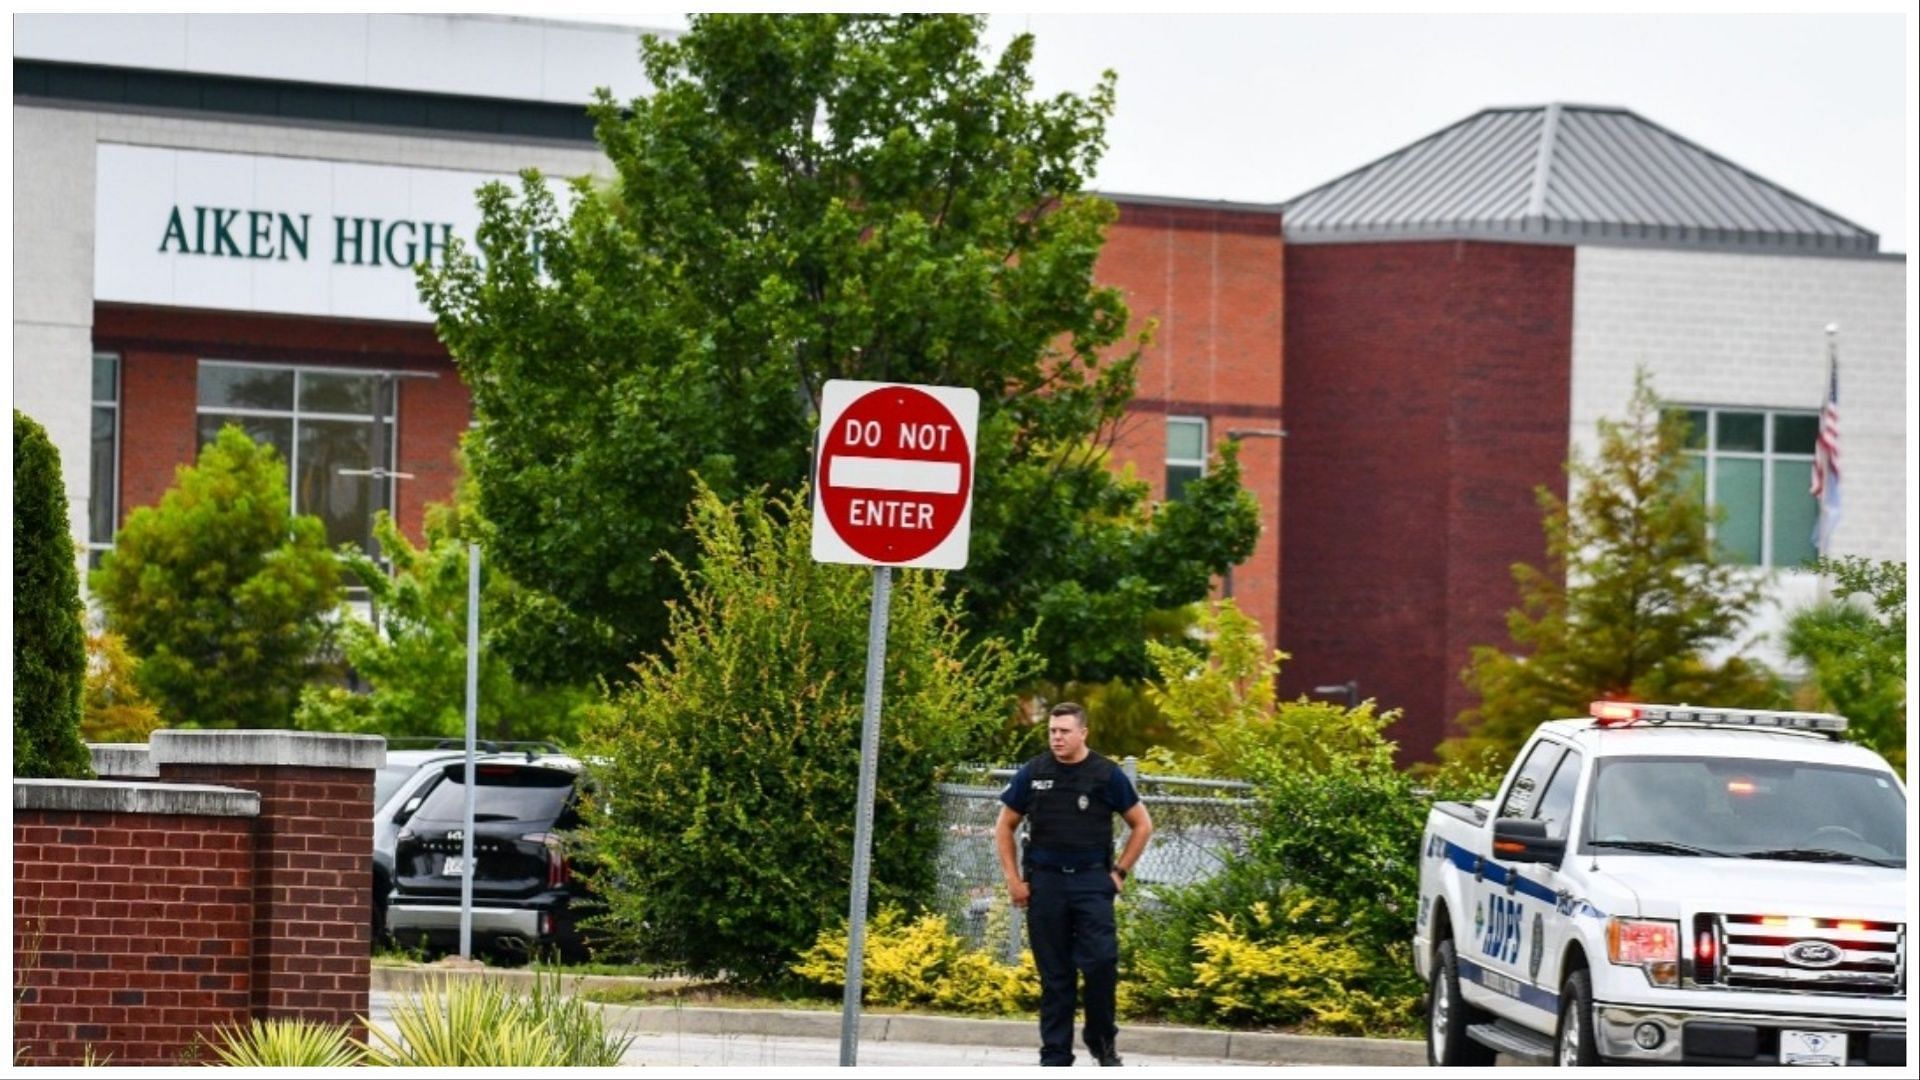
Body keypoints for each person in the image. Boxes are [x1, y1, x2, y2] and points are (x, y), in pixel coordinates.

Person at [994, 702, 1153, 1067]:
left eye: (1064, 731)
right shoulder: (1033, 772)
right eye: (1052, 731)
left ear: (1083, 733)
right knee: (1056, 976)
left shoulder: (1105, 774)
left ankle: (1101, 1042)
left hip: (1091, 884)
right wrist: (1014, 880)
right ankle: (1055, 1056)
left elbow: (1142, 824)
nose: (1057, 738)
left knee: (1101, 964)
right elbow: (1004, 826)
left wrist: (1119, 873)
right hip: (1046, 885)